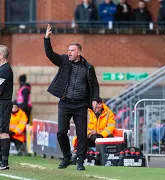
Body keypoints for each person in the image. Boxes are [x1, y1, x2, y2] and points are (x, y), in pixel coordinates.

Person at [44, 24, 100, 171]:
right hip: (65, 103)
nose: (69, 52)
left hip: (81, 105)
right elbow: (50, 54)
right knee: (61, 132)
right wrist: (46, 38)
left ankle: (80, 160)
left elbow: (95, 86)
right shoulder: (63, 61)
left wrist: (95, 99)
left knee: (82, 134)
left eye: (72, 50)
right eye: (68, 50)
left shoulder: (88, 68)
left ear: (79, 52)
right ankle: (67, 156)